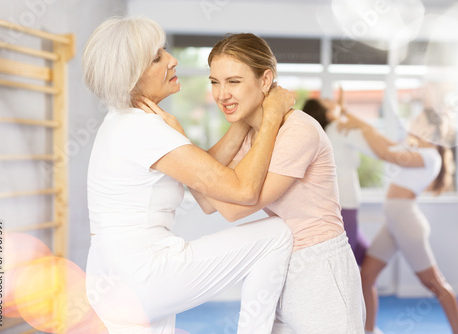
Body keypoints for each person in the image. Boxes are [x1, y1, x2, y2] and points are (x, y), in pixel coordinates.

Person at [82, 16, 296, 334]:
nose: (172, 59)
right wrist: (272, 115)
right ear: (131, 77)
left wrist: (241, 116)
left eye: (164, 50)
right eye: (157, 58)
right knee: (277, 233)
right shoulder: (144, 129)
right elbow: (243, 190)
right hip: (143, 274)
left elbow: (205, 181)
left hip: (109, 278)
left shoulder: (122, 122)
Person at [152, 32, 365, 333]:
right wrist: (233, 128)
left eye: (234, 82)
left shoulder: (298, 131)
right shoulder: (252, 136)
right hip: (276, 262)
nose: (221, 94)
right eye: (215, 82)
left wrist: (184, 148)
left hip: (319, 267)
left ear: (266, 80)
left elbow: (233, 208)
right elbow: (205, 198)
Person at [337, 109, 458, 334]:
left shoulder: (430, 156)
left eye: (418, 119)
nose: (413, 121)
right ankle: (369, 330)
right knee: (366, 275)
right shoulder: (414, 148)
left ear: (430, 130)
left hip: (406, 223)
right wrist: (351, 117)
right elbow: (383, 142)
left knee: (434, 283)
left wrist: (363, 128)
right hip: (394, 222)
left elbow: (387, 154)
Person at [303, 91, 377, 265]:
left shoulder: (323, 134)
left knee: (367, 263)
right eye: (328, 101)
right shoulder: (338, 129)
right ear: (328, 114)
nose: (332, 100)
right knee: (348, 265)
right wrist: (346, 114)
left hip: (337, 205)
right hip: (345, 206)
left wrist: (343, 112)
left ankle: (366, 290)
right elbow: (375, 146)